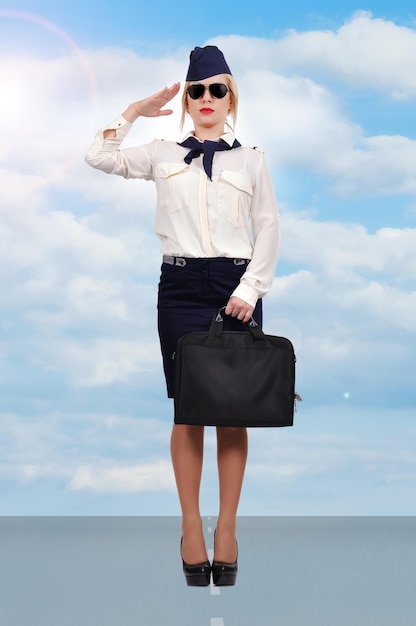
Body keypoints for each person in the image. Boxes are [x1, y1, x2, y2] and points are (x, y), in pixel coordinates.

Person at [85, 45, 280, 587]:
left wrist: (250, 288)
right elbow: (98, 157)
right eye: (198, 90)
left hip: (235, 284)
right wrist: (133, 112)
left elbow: (267, 228)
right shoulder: (161, 152)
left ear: (231, 97)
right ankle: (192, 526)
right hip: (179, 288)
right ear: (187, 100)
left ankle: (229, 530)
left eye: (218, 89)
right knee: (189, 408)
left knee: (233, 408)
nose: (207, 99)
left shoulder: (253, 158)